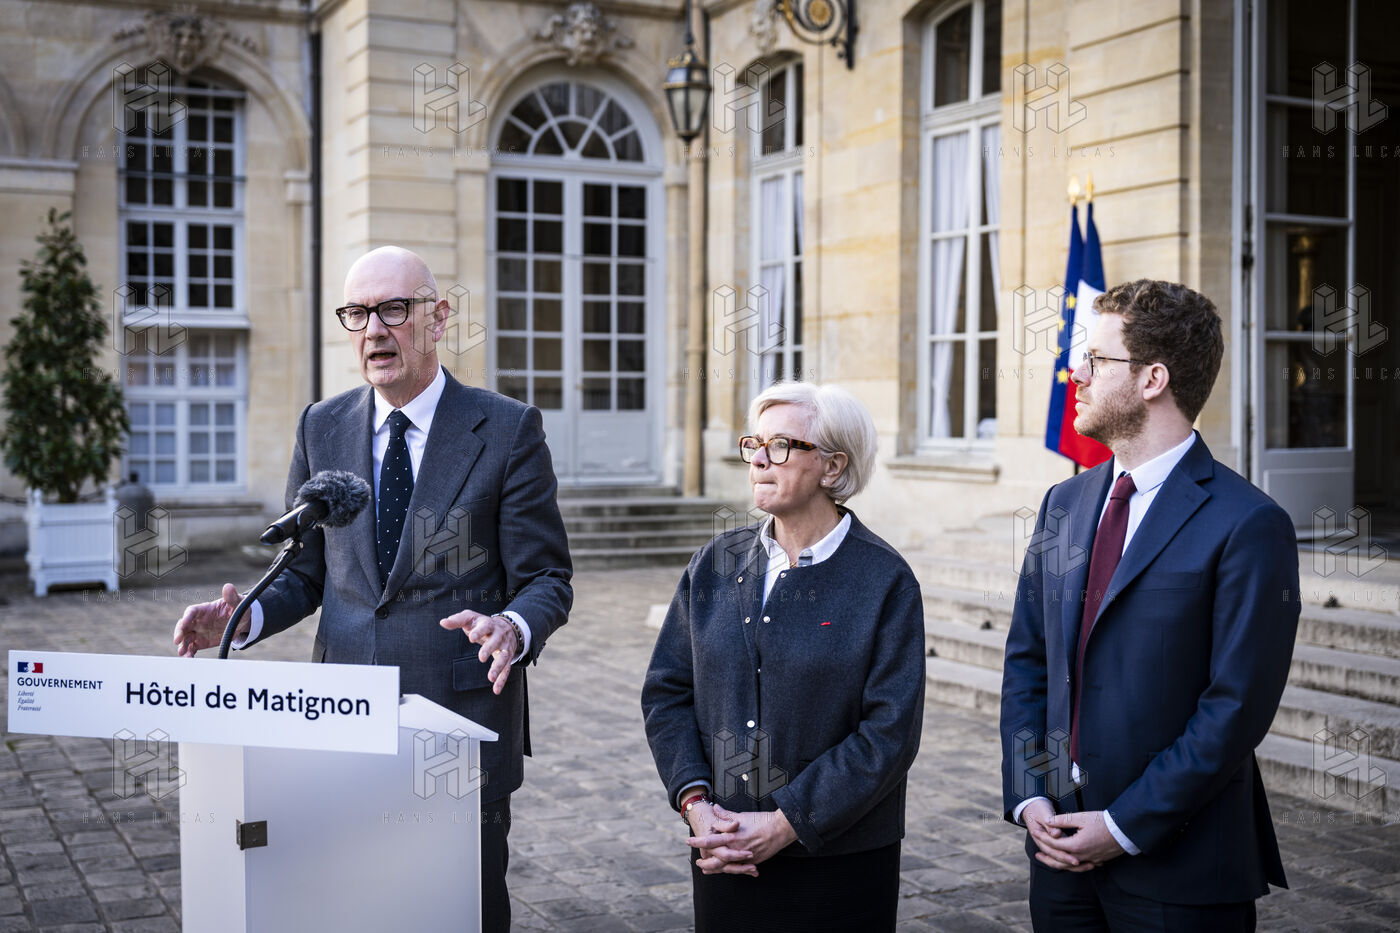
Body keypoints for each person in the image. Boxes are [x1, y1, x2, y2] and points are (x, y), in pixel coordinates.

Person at [172, 246, 572, 933]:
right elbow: (307, 572)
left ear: (438, 318)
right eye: (357, 313)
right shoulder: (321, 425)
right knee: (355, 907)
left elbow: (546, 577)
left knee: (464, 913)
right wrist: (242, 617)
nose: (374, 330)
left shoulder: (507, 429)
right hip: (344, 720)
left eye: (393, 309)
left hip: (457, 724)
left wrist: (513, 625)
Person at [1000, 279, 1300, 931]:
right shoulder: (1063, 502)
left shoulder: (1250, 523)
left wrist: (1122, 825)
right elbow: (1029, 660)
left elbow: (1234, 709)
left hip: (1181, 873)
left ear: (1152, 379)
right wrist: (1029, 793)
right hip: (1057, 857)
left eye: (1095, 358)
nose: (1075, 373)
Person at [641, 381, 925, 932]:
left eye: (781, 446)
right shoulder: (715, 562)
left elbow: (889, 734)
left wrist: (785, 822)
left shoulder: (884, 580)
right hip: (725, 848)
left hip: (840, 863)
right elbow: (667, 692)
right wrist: (696, 803)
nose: (758, 461)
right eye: (754, 444)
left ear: (833, 466)